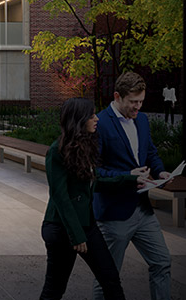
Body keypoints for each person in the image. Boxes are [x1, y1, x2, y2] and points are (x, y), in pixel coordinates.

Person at [39, 98, 138, 300]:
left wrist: (133, 179)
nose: (96, 119)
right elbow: (60, 196)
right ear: (79, 119)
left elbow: (95, 181)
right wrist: (76, 236)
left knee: (110, 279)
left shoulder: (86, 145)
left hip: (86, 224)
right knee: (55, 289)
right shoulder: (56, 151)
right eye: (91, 115)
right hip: (62, 229)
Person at [92, 72, 172, 300]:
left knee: (162, 262)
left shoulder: (143, 120)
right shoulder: (100, 124)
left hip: (143, 211)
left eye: (141, 102)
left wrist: (161, 171)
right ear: (117, 96)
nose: (138, 107)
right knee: (107, 277)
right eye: (133, 102)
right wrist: (128, 175)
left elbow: (150, 152)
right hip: (114, 214)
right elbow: (94, 173)